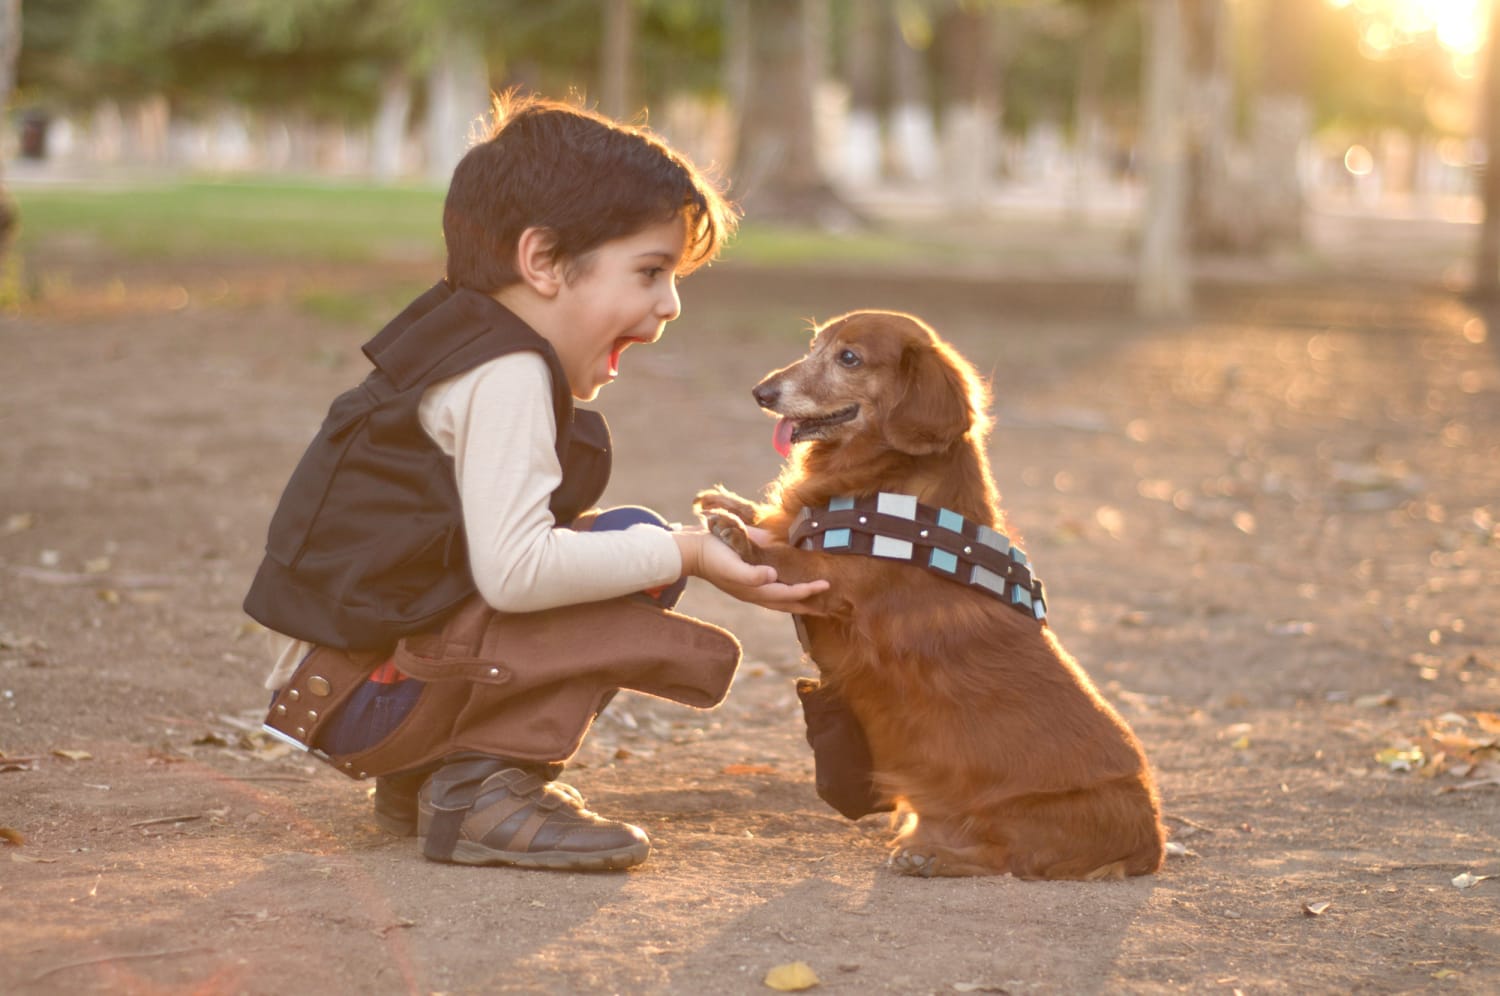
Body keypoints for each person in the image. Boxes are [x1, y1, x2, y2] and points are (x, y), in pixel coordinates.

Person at [243, 91, 827, 872]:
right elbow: (516, 574)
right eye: (651, 271)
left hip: (348, 688)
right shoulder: (508, 372)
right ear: (543, 261)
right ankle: (480, 789)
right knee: (634, 551)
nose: (671, 304)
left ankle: (428, 778)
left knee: (623, 544)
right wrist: (685, 552)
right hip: (364, 702)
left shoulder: (461, 340)